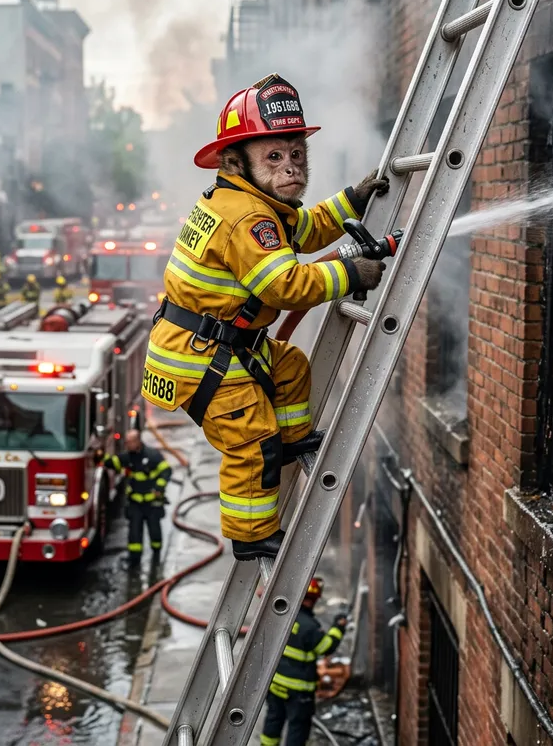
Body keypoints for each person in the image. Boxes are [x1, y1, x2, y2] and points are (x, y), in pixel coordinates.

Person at [140, 73, 390, 560]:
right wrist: (350, 272)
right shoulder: (248, 218)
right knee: (252, 441)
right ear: (237, 162)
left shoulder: (255, 203)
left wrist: (351, 201)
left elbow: (307, 228)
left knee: (292, 367)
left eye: (296, 154)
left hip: (223, 345)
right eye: (273, 157)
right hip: (202, 359)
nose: (291, 167)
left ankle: (293, 442)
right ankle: (250, 534)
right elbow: (285, 285)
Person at [260, 577, 346, 746]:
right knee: (297, 728)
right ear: (314, 600)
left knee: (274, 720)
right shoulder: (310, 627)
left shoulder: (282, 616)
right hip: (298, 691)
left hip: (275, 683)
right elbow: (326, 647)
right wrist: (338, 627)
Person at [95, 429, 172, 567]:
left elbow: (166, 470)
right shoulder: (128, 457)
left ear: (137, 442)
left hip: (151, 504)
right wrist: (99, 454)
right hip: (135, 504)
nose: (126, 445)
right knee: (134, 535)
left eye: (129, 442)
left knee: (155, 532)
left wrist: (159, 488)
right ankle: (134, 561)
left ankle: (157, 558)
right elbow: (113, 462)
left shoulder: (153, 456)